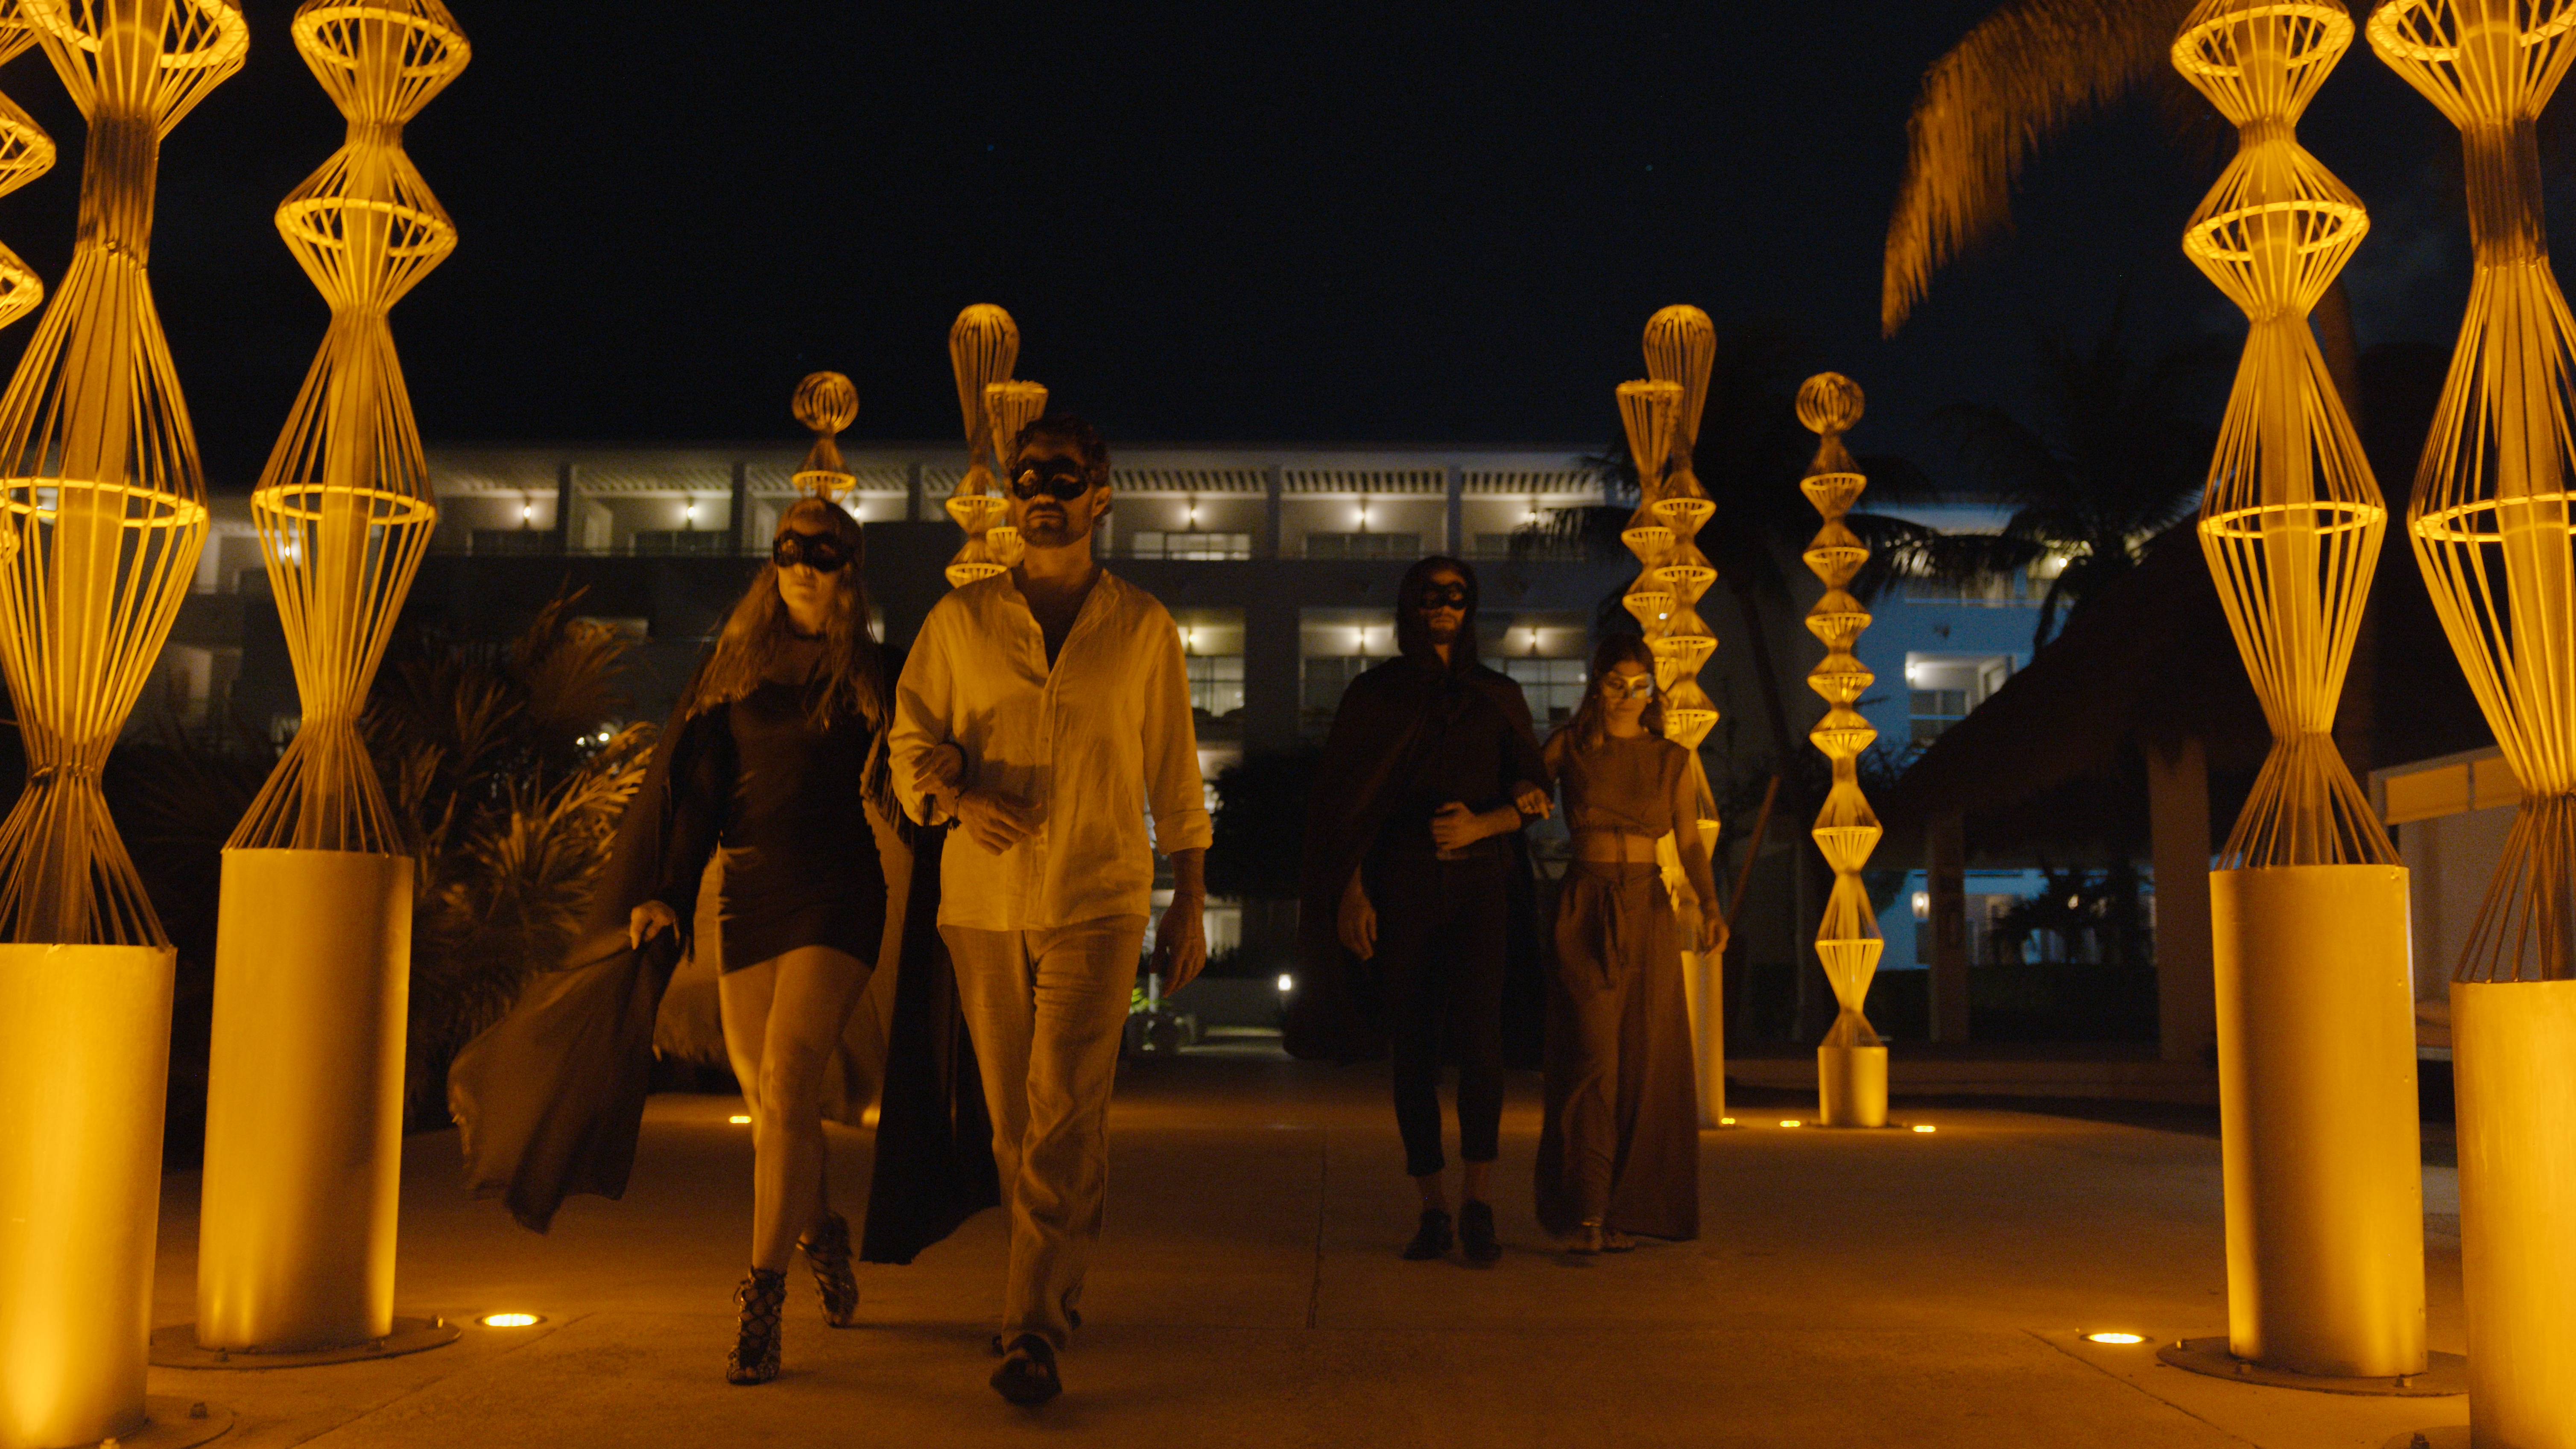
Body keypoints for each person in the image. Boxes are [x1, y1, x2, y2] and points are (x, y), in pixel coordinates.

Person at [450, 493, 996, 1388]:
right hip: (747, 895)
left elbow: (919, 765)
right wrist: (664, 891)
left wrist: (959, 780)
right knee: (775, 1112)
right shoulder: (732, 669)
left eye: (821, 553)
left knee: (785, 1079)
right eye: (788, 550)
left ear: (848, 570)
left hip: (838, 893)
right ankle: (821, 1233)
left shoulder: (874, 672)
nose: (802, 566)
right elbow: (696, 795)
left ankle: (760, 1302)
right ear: (772, 563)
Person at [889, 413, 1211, 1406]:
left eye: (1061, 476)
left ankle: (1026, 1325)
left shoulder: (1143, 626)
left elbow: (1174, 776)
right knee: (1015, 1123)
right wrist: (956, 795)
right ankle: (1055, 1286)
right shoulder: (961, 620)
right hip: (982, 903)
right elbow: (908, 749)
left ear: (1099, 494)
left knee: (1063, 1109)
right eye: (1026, 475)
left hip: (1101, 895)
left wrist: (1188, 901)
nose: (1040, 489)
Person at [1292, 556, 1550, 1267]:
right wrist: (1350, 893)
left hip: (1479, 887)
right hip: (1400, 888)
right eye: (1430, 596)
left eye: (1456, 596)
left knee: (1481, 1045)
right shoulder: (1374, 695)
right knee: (1411, 1050)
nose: (1444, 606)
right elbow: (1346, 807)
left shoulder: (1498, 695)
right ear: (1410, 607)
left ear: (1470, 608)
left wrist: (1484, 823)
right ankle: (1432, 1208)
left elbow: (1536, 791)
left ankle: (1479, 1204)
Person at [1532, 635, 1722, 1252]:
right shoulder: (1570, 744)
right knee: (1592, 1056)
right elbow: (1522, 793)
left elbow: (1690, 841)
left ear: (1652, 691)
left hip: (1649, 905)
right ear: (1595, 683)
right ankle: (1586, 1208)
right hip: (1586, 902)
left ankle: (1624, 1209)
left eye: (1638, 685)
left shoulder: (1671, 756)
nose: (1626, 696)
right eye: (1615, 682)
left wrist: (1710, 904)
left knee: (1647, 1058)